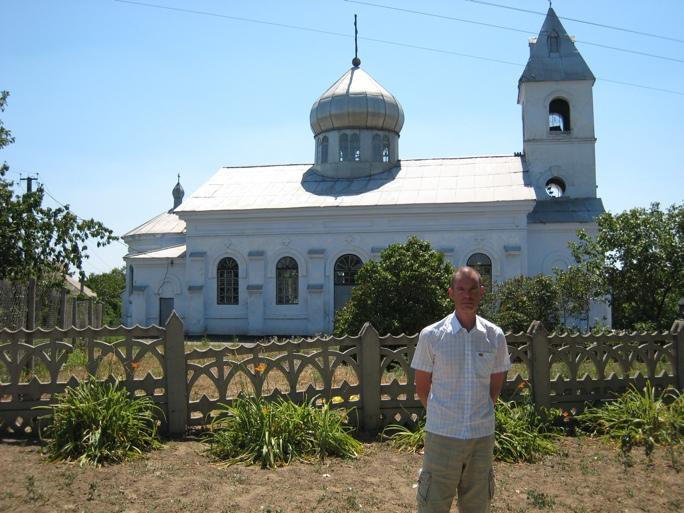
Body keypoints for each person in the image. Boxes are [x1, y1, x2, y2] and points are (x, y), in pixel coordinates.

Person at [411, 266, 511, 513]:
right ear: (451, 293)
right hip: (442, 436)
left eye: (473, 289)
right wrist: (443, 414)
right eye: (461, 289)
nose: (467, 295)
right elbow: (422, 386)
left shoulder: (494, 336)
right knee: (433, 505)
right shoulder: (432, 336)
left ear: (482, 292)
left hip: (481, 437)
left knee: (477, 506)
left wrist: (478, 413)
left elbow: (495, 386)